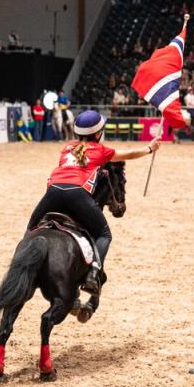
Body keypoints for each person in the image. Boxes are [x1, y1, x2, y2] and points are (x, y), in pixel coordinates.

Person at [26, 109, 161, 295]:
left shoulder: (67, 148)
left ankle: (22, 264)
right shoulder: (101, 150)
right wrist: (149, 149)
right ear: (98, 134)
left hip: (53, 192)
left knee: (31, 228)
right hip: (77, 194)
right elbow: (128, 154)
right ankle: (93, 274)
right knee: (104, 234)